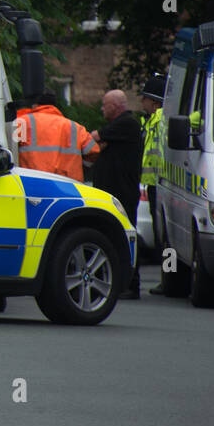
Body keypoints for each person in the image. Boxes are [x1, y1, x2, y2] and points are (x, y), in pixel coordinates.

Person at [90, 89, 143, 299]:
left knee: (125, 235)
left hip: (123, 193)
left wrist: (99, 139)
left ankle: (132, 284)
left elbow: (95, 137)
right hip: (115, 193)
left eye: (104, 105)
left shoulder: (127, 123)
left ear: (115, 106)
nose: (102, 108)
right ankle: (122, 282)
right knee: (115, 236)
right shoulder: (118, 127)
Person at [15, 92, 97, 182]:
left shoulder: (22, 123)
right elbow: (93, 151)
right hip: (69, 185)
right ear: (54, 105)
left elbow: (8, 149)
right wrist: (82, 167)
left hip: (32, 183)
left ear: (34, 104)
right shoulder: (74, 127)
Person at [138, 75, 168, 294]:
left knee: (165, 239)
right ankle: (168, 279)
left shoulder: (162, 119)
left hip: (163, 185)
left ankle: (170, 280)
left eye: (145, 98)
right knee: (162, 237)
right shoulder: (148, 121)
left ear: (156, 103)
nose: (142, 102)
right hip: (153, 185)